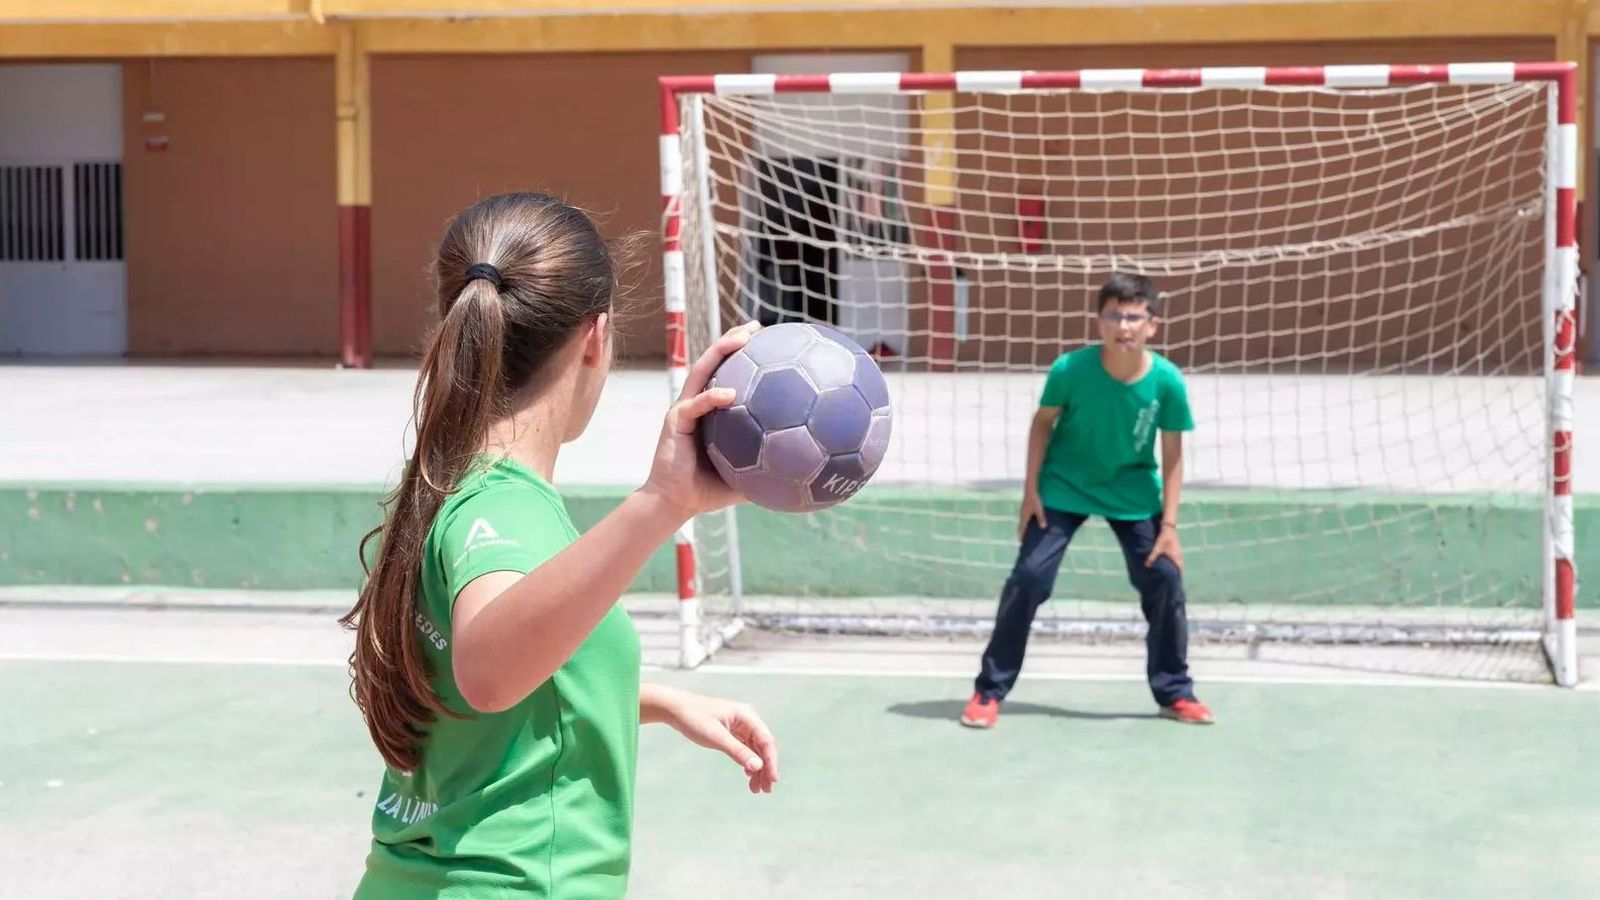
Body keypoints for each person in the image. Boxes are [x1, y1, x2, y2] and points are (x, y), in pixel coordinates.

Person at [339, 192, 779, 898]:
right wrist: (661, 503)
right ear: (595, 339)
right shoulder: (509, 508)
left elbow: (484, 672)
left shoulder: (447, 481)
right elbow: (488, 668)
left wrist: (657, 701)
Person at [960, 273, 1213, 729]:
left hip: (1133, 492)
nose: (1124, 326)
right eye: (1114, 315)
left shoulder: (1168, 382)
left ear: (1152, 325)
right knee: (1029, 579)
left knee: (1165, 582)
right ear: (1099, 322)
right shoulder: (1070, 370)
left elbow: (1173, 458)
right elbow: (1042, 424)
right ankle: (988, 690)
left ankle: (1175, 691)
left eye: (1134, 317)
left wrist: (1170, 528)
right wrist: (1030, 492)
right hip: (1063, 487)